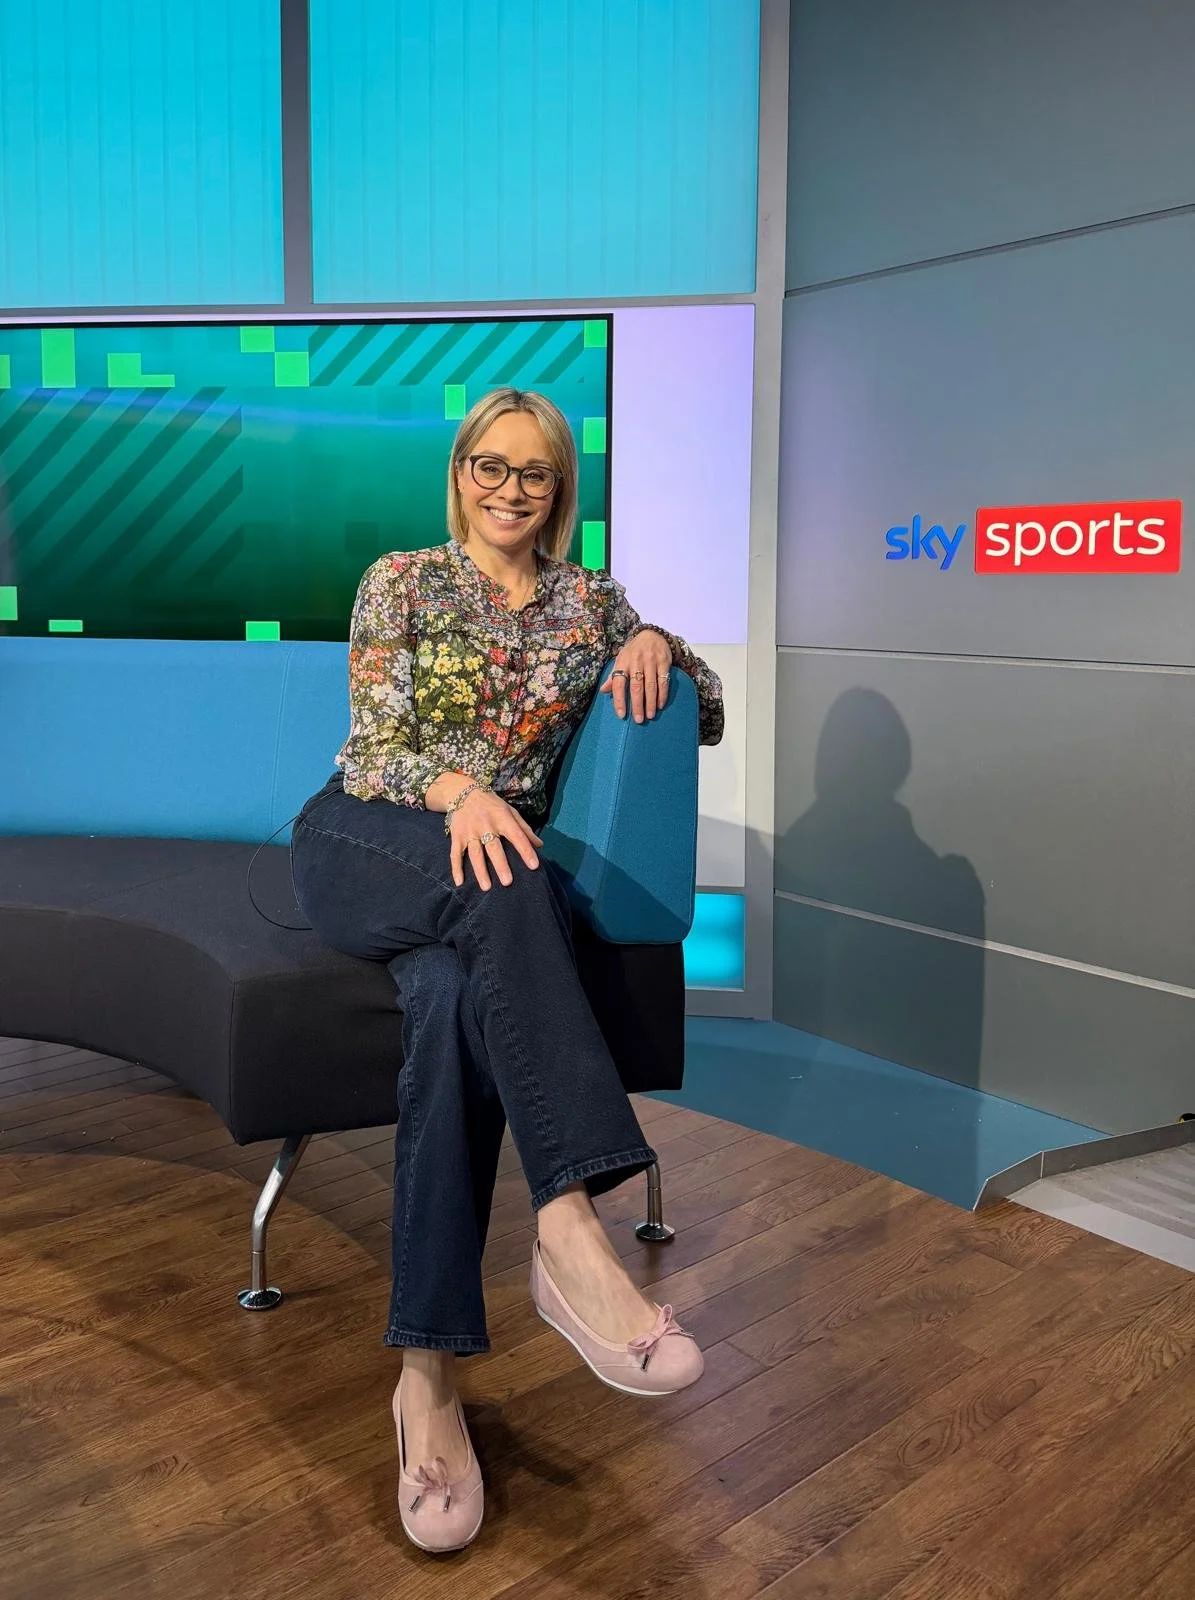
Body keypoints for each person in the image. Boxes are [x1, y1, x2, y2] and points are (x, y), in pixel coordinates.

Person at [289, 388, 724, 1553]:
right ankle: (568, 1227)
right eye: (490, 465)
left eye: (533, 472)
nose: (510, 490)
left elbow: (705, 711)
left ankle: (425, 1379)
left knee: (446, 996)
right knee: (509, 872)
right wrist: (463, 793)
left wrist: (659, 645)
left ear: (559, 486)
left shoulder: (590, 603)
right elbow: (375, 746)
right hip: (370, 835)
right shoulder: (403, 580)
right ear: (460, 471)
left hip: (486, 875)